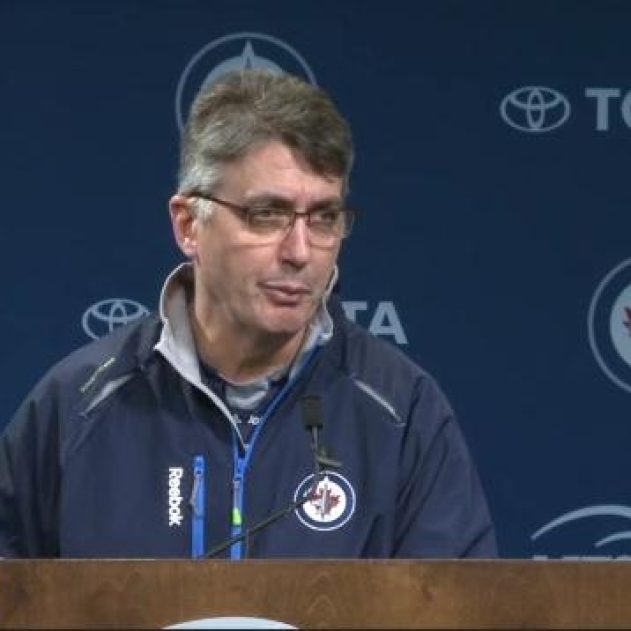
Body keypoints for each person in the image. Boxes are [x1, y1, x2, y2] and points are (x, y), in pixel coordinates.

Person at [0, 70, 497, 558]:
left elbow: (456, 601)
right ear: (188, 225)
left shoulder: (403, 412)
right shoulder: (78, 406)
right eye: (267, 214)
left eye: (324, 218)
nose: (300, 251)